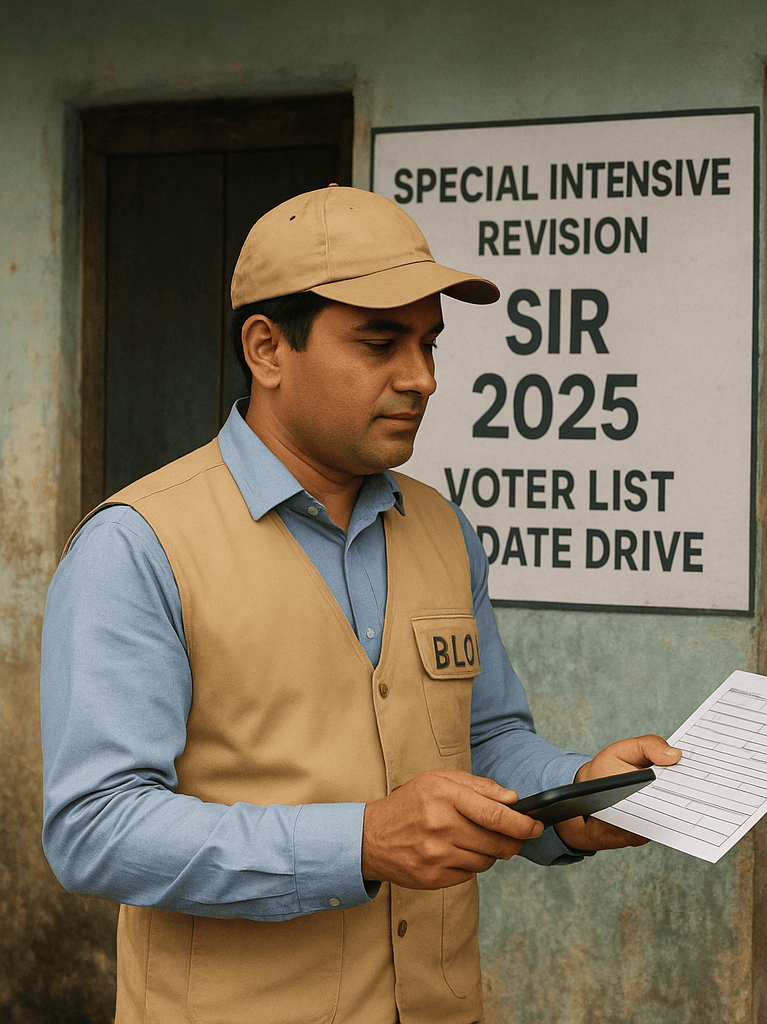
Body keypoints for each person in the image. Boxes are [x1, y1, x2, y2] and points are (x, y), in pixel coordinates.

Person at [39, 185, 679, 1024]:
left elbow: (484, 740)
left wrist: (575, 794)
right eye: (381, 344)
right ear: (267, 348)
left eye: (428, 344)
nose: (422, 378)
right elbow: (95, 828)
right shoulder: (141, 545)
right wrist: (362, 842)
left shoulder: (442, 529)